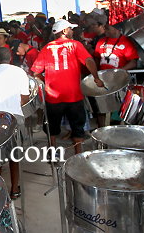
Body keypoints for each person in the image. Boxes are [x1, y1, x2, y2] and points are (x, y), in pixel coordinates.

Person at [31, 19, 104, 154]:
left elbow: (35, 72)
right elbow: (88, 60)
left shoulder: (47, 48)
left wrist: (46, 81)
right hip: (73, 95)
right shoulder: (75, 45)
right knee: (77, 126)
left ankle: (52, 151)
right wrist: (96, 77)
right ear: (64, 31)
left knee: (52, 127)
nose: (72, 31)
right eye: (70, 29)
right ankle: (78, 153)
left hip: (53, 96)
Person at [0, 48, 29, 200]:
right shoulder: (20, 72)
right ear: (10, 59)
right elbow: (25, 98)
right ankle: (15, 189)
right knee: (14, 155)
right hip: (15, 116)